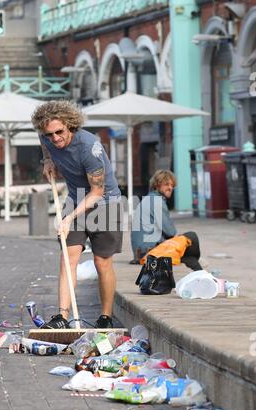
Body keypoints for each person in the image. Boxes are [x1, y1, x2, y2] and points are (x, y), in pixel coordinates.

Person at [31, 100, 123, 329]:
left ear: (70, 125)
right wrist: (48, 159)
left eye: (59, 132)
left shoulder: (89, 148)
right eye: (49, 134)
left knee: (101, 262)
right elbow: (43, 142)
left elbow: (97, 191)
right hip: (75, 199)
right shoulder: (47, 136)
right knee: (67, 257)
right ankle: (62, 317)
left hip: (104, 202)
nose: (55, 138)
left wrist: (69, 217)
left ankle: (105, 317)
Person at [130, 169, 202, 271]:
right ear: (156, 185)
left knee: (188, 256)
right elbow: (170, 232)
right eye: (166, 184)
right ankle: (199, 268)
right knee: (191, 237)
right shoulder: (156, 202)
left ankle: (199, 270)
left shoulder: (149, 199)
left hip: (141, 253)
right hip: (149, 252)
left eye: (172, 185)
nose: (170, 188)